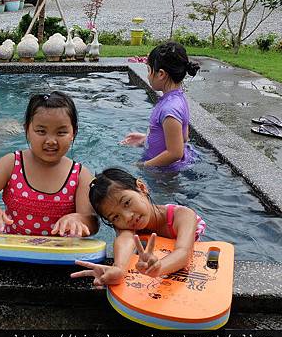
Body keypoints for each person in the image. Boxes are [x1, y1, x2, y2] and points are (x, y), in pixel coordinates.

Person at [0, 91, 98, 237]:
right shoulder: (12, 164)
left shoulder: (79, 175)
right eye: (41, 131)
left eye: (61, 133)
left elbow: (92, 222)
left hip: (58, 255)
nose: (51, 140)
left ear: (73, 133)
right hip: (14, 250)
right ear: (27, 130)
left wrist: (78, 219)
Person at [71, 168, 206, 287]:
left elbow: (184, 252)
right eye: (115, 217)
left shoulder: (182, 215)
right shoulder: (125, 226)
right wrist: (119, 269)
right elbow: (125, 240)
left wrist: (158, 267)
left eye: (127, 203)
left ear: (142, 188)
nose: (127, 216)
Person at [121, 42, 200, 172]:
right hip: (166, 170)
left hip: (164, 174)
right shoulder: (178, 99)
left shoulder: (169, 110)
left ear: (161, 74)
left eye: (149, 70)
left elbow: (175, 153)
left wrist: (143, 165)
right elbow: (183, 138)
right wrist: (145, 140)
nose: (147, 76)